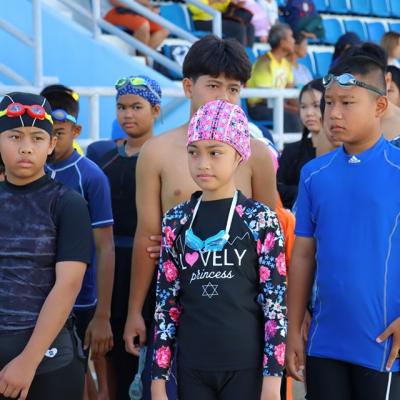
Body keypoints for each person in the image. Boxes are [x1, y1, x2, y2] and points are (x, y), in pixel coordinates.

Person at [122, 35, 278, 399]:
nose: (223, 96)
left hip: (240, 321)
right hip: (181, 311)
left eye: (233, 88)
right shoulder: (157, 152)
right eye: (213, 85)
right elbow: (147, 238)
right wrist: (135, 311)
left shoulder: (256, 154)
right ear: (188, 86)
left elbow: (272, 248)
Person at [151, 99, 287, 400]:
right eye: (193, 152)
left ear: (239, 154)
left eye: (215, 152)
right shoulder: (176, 220)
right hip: (192, 366)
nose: (203, 163)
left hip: (245, 366)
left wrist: (273, 379)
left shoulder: (260, 219)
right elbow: (166, 303)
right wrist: (158, 379)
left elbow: (275, 303)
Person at [286, 55, 400, 399]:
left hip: (383, 344)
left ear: (380, 106)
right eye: (329, 102)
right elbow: (303, 255)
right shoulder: (314, 174)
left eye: (347, 103)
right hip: (324, 342)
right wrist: (293, 327)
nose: (333, 113)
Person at [0, 92, 92, 399]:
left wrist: (28, 361)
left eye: (37, 138)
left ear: (51, 144)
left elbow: (68, 285)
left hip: (48, 361)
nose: (26, 147)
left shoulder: (68, 204)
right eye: (15, 136)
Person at [40, 84, 115, 400]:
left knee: (89, 368)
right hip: (41, 295)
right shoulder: (33, 171)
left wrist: (103, 314)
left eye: (59, 133)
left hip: (83, 298)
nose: (53, 141)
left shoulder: (91, 176)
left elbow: (105, 247)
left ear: (76, 130)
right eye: (47, 133)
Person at [95, 75, 161, 400]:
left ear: (156, 110)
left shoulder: (164, 156)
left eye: (136, 106)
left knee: (149, 352)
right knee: (110, 351)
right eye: (121, 107)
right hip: (109, 266)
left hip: (149, 264)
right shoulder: (103, 159)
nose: (127, 114)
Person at [277, 79, 324, 209]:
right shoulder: (291, 151)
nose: (309, 113)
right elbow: (278, 189)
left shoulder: (344, 152)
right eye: (303, 107)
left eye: (316, 105)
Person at [247, 23, 301, 132]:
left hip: (279, 105)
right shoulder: (264, 63)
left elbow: (290, 94)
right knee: (292, 118)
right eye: (291, 37)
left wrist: (302, 109)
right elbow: (266, 98)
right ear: (282, 42)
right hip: (259, 107)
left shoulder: (286, 64)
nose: (294, 41)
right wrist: (295, 110)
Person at [102, 0, 169, 50]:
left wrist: (152, 8)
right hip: (111, 12)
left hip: (135, 11)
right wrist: (142, 6)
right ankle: (143, 58)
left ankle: (142, 55)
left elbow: (155, 7)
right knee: (143, 25)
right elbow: (115, 1)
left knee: (164, 29)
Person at [187, 0, 255, 47]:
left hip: (217, 20)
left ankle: (248, 57)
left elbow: (222, 8)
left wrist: (232, 3)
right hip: (201, 21)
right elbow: (194, 9)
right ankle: (239, 59)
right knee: (238, 28)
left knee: (250, 27)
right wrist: (213, 1)